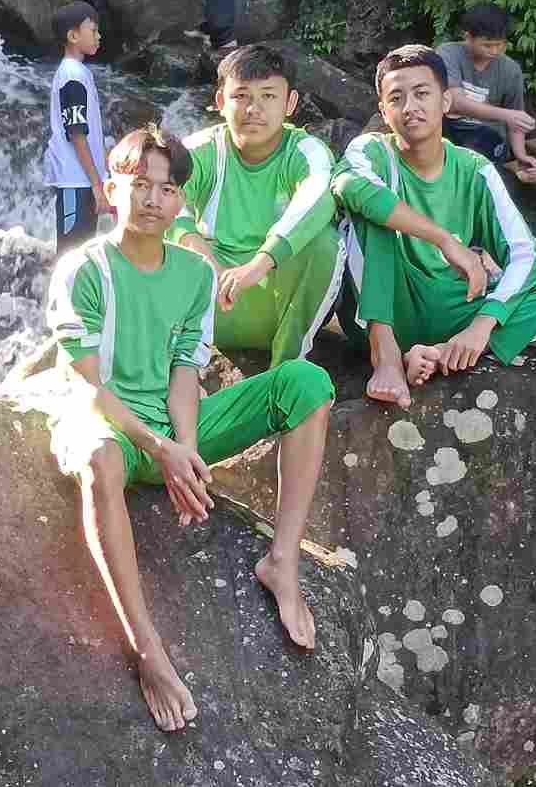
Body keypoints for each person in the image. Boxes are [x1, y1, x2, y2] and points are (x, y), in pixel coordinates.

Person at [46, 124, 333, 732]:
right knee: (100, 459)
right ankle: (147, 649)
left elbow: (185, 371)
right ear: (111, 189)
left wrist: (187, 451)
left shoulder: (195, 274)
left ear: (182, 200)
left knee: (306, 383)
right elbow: (89, 389)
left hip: (171, 429)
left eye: (168, 189)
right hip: (107, 424)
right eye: (140, 185)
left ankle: (282, 561)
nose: (153, 199)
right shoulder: (83, 270)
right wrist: (158, 448)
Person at [332, 44, 536, 409]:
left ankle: (445, 353)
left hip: (457, 315)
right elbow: (351, 186)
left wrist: (482, 325)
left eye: (422, 93)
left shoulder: (474, 169)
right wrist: (445, 240)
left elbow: (525, 256)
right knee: (369, 212)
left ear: (445, 101)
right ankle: (388, 357)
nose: (410, 107)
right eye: (396, 98)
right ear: (383, 111)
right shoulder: (371, 151)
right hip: (386, 310)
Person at [169, 45, 345, 368]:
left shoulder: (306, 151)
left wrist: (258, 265)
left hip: (276, 305)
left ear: (290, 103)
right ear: (220, 101)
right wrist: (209, 264)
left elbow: (317, 198)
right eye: (241, 96)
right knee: (147, 221)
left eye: (268, 96)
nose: (254, 108)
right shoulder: (199, 150)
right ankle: (172, 363)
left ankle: (286, 366)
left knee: (326, 241)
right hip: (211, 301)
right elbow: (165, 199)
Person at [436, 3, 536, 182]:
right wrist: (508, 115)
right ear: (467, 37)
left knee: (478, 157)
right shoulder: (448, 53)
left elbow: (516, 124)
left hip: (485, 137)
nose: (494, 51)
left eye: (500, 45)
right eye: (487, 45)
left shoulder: (511, 70)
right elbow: (455, 102)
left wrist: (521, 156)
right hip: (448, 128)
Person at [43, 2, 113, 256]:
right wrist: (96, 184)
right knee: (70, 254)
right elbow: (76, 133)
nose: (98, 36)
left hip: (83, 180)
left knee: (81, 252)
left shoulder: (78, 72)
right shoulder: (72, 75)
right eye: (93, 30)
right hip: (75, 181)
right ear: (73, 36)